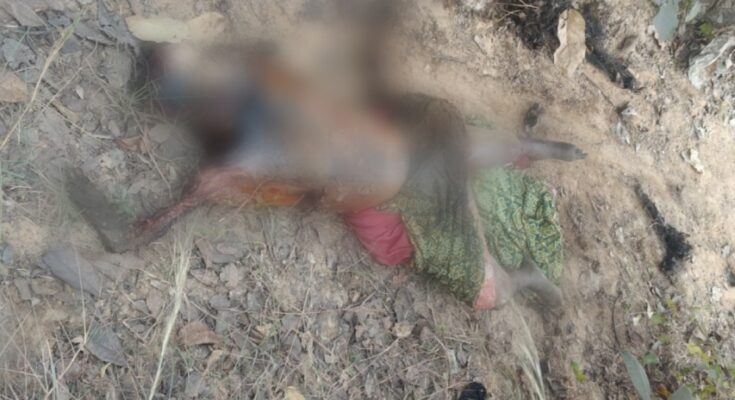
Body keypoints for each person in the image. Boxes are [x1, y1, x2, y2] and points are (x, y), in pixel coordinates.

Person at [69, 44, 585, 311]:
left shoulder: (235, 155)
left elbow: (127, 237)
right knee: (446, 140)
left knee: (480, 285)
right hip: (402, 152)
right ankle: (529, 153)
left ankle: (523, 259)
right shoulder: (254, 106)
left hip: (398, 179)